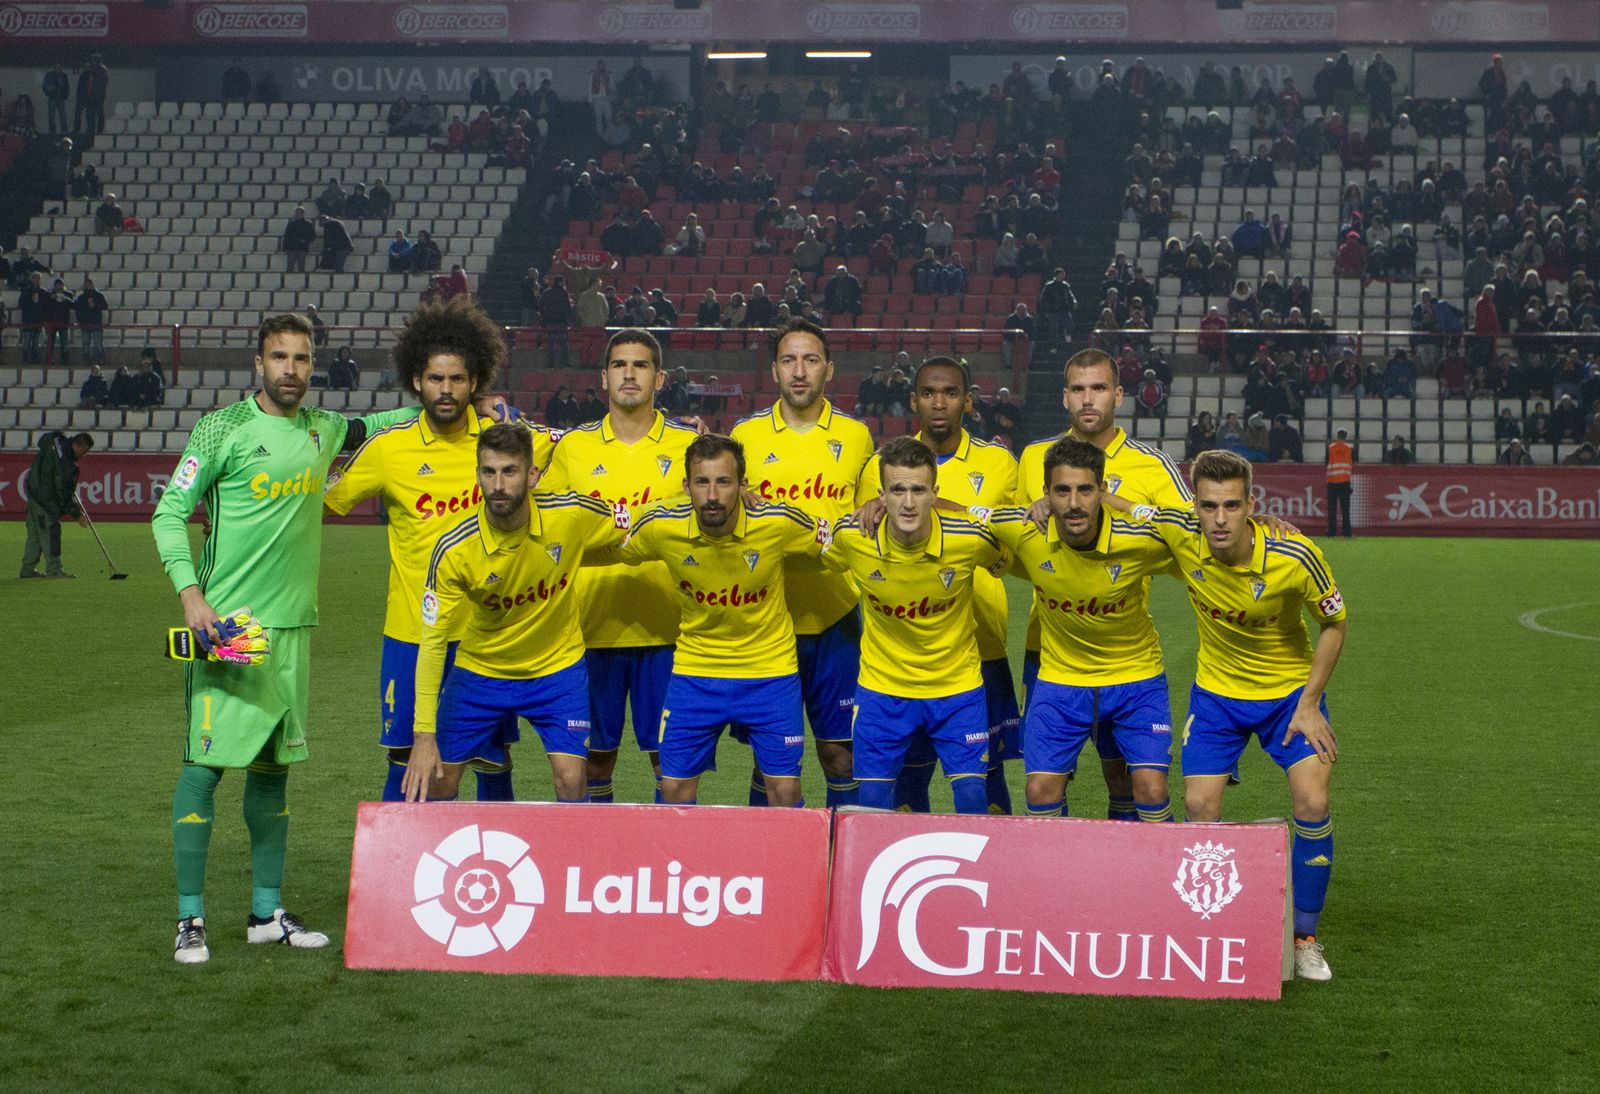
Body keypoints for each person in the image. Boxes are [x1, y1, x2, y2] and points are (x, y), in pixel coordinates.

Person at [151, 313, 457, 965]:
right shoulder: (222, 429)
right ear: (257, 364)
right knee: (204, 768)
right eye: (279, 357)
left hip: (294, 633)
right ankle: (189, 921)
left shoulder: (321, 431)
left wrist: (441, 398)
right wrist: (192, 596)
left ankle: (266, 913)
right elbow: (170, 512)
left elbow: (372, 426)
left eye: (301, 358)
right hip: (230, 631)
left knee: (271, 773)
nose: (291, 369)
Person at [324, 298, 552, 803]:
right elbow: (324, 497)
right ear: (416, 381)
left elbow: (577, 452)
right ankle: (399, 875)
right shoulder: (389, 448)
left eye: (456, 379)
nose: (445, 390)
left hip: (487, 635)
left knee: (491, 756)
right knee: (407, 757)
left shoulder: (504, 444)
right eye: (434, 379)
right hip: (411, 632)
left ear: (476, 383)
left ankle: (503, 869)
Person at [1142, 451, 1348, 981]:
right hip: (1217, 698)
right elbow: (1119, 505)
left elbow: (1335, 625)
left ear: (1251, 505)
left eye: (1232, 505)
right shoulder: (1181, 534)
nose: (1219, 518)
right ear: (1195, 505)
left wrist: (1308, 702)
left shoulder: (1295, 555)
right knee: (1197, 806)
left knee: (1313, 798)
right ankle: (1201, 927)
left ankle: (1304, 937)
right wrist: (1050, 504)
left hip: (1287, 699)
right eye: (1208, 505)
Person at [403, 423, 626, 805]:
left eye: (510, 471)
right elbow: (433, 644)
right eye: (488, 472)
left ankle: (573, 865)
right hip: (481, 672)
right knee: (438, 780)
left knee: (572, 782)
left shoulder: (571, 513)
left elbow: (628, 525)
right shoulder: (453, 549)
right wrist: (424, 737)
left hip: (557, 670)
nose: (499, 484)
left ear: (533, 475)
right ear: (478, 476)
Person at [1018, 348, 1194, 819]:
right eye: (1078, 389)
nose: (1088, 399)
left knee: (1125, 776)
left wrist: (1112, 504)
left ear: (1118, 394)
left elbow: (1194, 534)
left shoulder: (1152, 465)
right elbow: (1006, 532)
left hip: (1123, 647)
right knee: (1046, 780)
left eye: (1098, 388)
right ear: (1064, 397)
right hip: (1050, 646)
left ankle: (1127, 881)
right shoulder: (1035, 458)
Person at [617, 435, 826, 806]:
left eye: (724, 482)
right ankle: (680, 865)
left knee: (786, 791)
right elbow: (609, 543)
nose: (712, 494)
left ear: (743, 485)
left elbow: (838, 541)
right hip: (696, 673)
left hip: (770, 673)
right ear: (686, 487)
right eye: (702, 482)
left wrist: (876, 508)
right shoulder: (659, 526)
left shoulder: (777, 522)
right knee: (674, 789)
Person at [541, 329, 701, 804]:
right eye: (619, 365)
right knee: (593, 762)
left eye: (641, 365)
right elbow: (554, 528)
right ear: (604, 377)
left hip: (671, 629)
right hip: (590, 630)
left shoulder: (689, 445)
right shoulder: (573, 448)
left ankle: (669, 868)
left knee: (670, 765)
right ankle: (593, 864)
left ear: (660, 378)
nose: (629, 373)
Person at [859, 356, 1022, 814]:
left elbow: (1011, 549)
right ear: (913, 399)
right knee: (910, 778)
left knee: (985, 780)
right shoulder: (881, 465)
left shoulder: (1000, 464)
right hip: (902, 651)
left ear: (968, 401)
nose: (939, 403)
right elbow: (864, 533)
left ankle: (994, 877)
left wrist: (950, 510)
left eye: (950, 393)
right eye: (929, 393)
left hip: (978, 645)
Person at [986, 439, 1178, 822]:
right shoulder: (1023, 530)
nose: (1074, 503)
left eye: (1085, 490)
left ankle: (1154, 879)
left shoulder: (1139, 538)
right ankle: (1054, 879)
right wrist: (880, 504)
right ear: (1045, 494)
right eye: (1062, 490)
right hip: (1060, 679)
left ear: (1102, 492)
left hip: (1135, 677)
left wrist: (1264, 525)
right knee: (1039, 790)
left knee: (1151, 789)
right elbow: (960, 513)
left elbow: (1205, 531)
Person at [732, 319, 876, 808]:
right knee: (767, 756)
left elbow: (869, 515)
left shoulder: (856, 437)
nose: (799, 371)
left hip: (835, 616)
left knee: (840, 753)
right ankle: (767, 865)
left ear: (829, 369)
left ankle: (845, 860)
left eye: (810, 360)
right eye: (789, 360)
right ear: (774, 370)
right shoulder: (745, 436)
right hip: (765, 621)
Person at [822, 437, 1002, 814]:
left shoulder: (969, 538)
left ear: (934, 493)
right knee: (871, 805)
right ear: (880, 494)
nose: (907, 502)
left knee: (972, 799)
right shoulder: (852, 536)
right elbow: (821, 553)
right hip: (882, 690)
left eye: (918, 490)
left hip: (957, 689)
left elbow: (1006, 555)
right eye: (897, 490)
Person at [20, 430, 92, 579]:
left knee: (35, 535)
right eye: (83, 452)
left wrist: (59, 433)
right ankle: (54, 570)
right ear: (78, 446)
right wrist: (77, 514)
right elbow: (63, 494)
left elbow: (44, 439)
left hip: (33, 494)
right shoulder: (65, 465)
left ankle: (27, 570)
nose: (82, 456)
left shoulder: (55, 440)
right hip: (45, 501)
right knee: (51, 532)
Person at [1325, 428, 1354, 538]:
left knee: (1332, 508)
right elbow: (1352, 463)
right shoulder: (1349, 448)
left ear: (1337, 436)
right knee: (1345, 509)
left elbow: (1326, 462)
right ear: (1345, 437)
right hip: (1345, 481)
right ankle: (1347, 532)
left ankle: (1331, 532)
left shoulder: (1331, 448)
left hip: (1332, 481)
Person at [74, 277, 108, 365]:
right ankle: (86, 360)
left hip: (96, 323)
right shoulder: (81, 298)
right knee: (85, 344)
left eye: (89, 285)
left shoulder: (99, 296)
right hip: (85, 323)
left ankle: (102, 359)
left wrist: (95, 305)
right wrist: (81, 319)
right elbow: (78, 310)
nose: (88, 287)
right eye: (86, 285)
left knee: (99, 344)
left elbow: (104, 306)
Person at [281, 208, 315, 273]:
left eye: (298, 213)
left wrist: (305, 240)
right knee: (289, 267)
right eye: (296, 213)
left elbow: (312, 236)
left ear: (303, 214)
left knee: (301, 267)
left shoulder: (308, 224)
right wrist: (285, 248)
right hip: (291, 248)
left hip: (302, 248)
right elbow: (286, 236)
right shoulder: (291, 224)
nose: (297, 215)